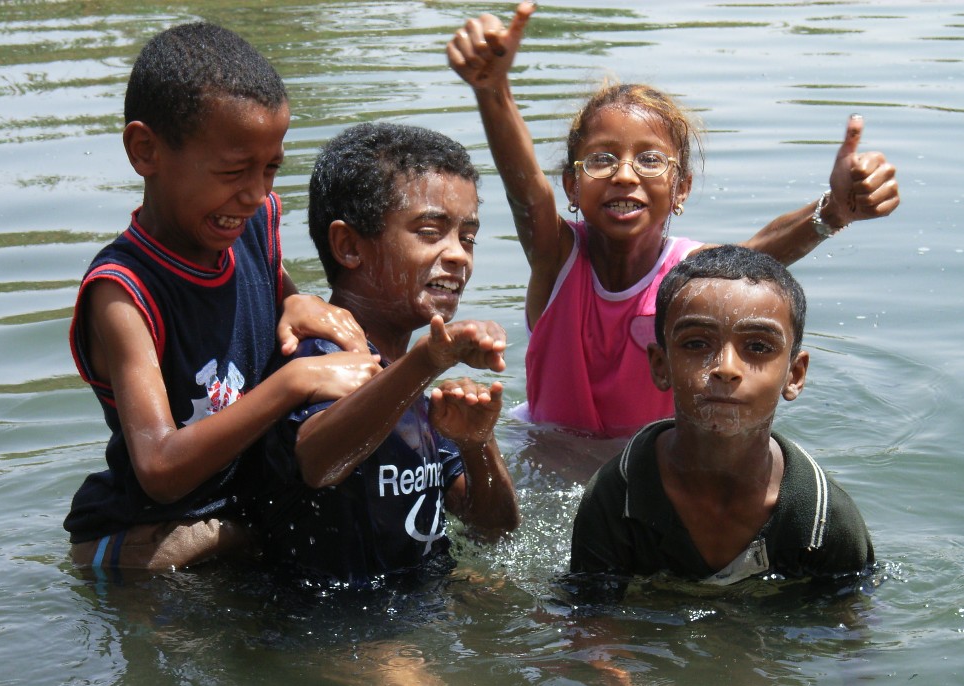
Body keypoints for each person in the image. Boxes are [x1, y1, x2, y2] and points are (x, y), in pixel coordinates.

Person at [447, 2, 900, 437]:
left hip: (650, 472)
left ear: (680, 188)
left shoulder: (691, 274)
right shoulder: (556, 256)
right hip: (545, 461)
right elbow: (523, 189)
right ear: (571, 186)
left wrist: (833, 212)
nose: (625, 175)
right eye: (602, 159)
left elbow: (762, 254)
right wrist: (493, 92)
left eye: (649, 160)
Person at [64, 22, 382, 571]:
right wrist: (294, 382)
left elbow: (271, 299)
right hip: (154, 539)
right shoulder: (123, 294)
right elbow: (160, 469)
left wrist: (297, 302)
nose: (256, 193)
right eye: (234, 171)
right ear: (145, 151)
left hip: (246, 505)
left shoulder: (254, 225)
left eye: (271, 169)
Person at [255, 122, 520, 586]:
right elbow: (319, 462)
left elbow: (494, 528)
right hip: (342, 621)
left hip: (420, 594)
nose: (459, 255)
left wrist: (477, 443)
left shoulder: (406, 373)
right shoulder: (318, 356)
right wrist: (428, 362)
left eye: (468, 237)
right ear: (349, 246)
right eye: (430, 231)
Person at [569, 244, 875, 586]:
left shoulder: (821, 521)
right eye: (697, 344)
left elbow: (844, 633)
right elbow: (592, 625)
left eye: (758, 347)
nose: (726, 368)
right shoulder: (616, 497)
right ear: (660, 365)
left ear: (795, 374)